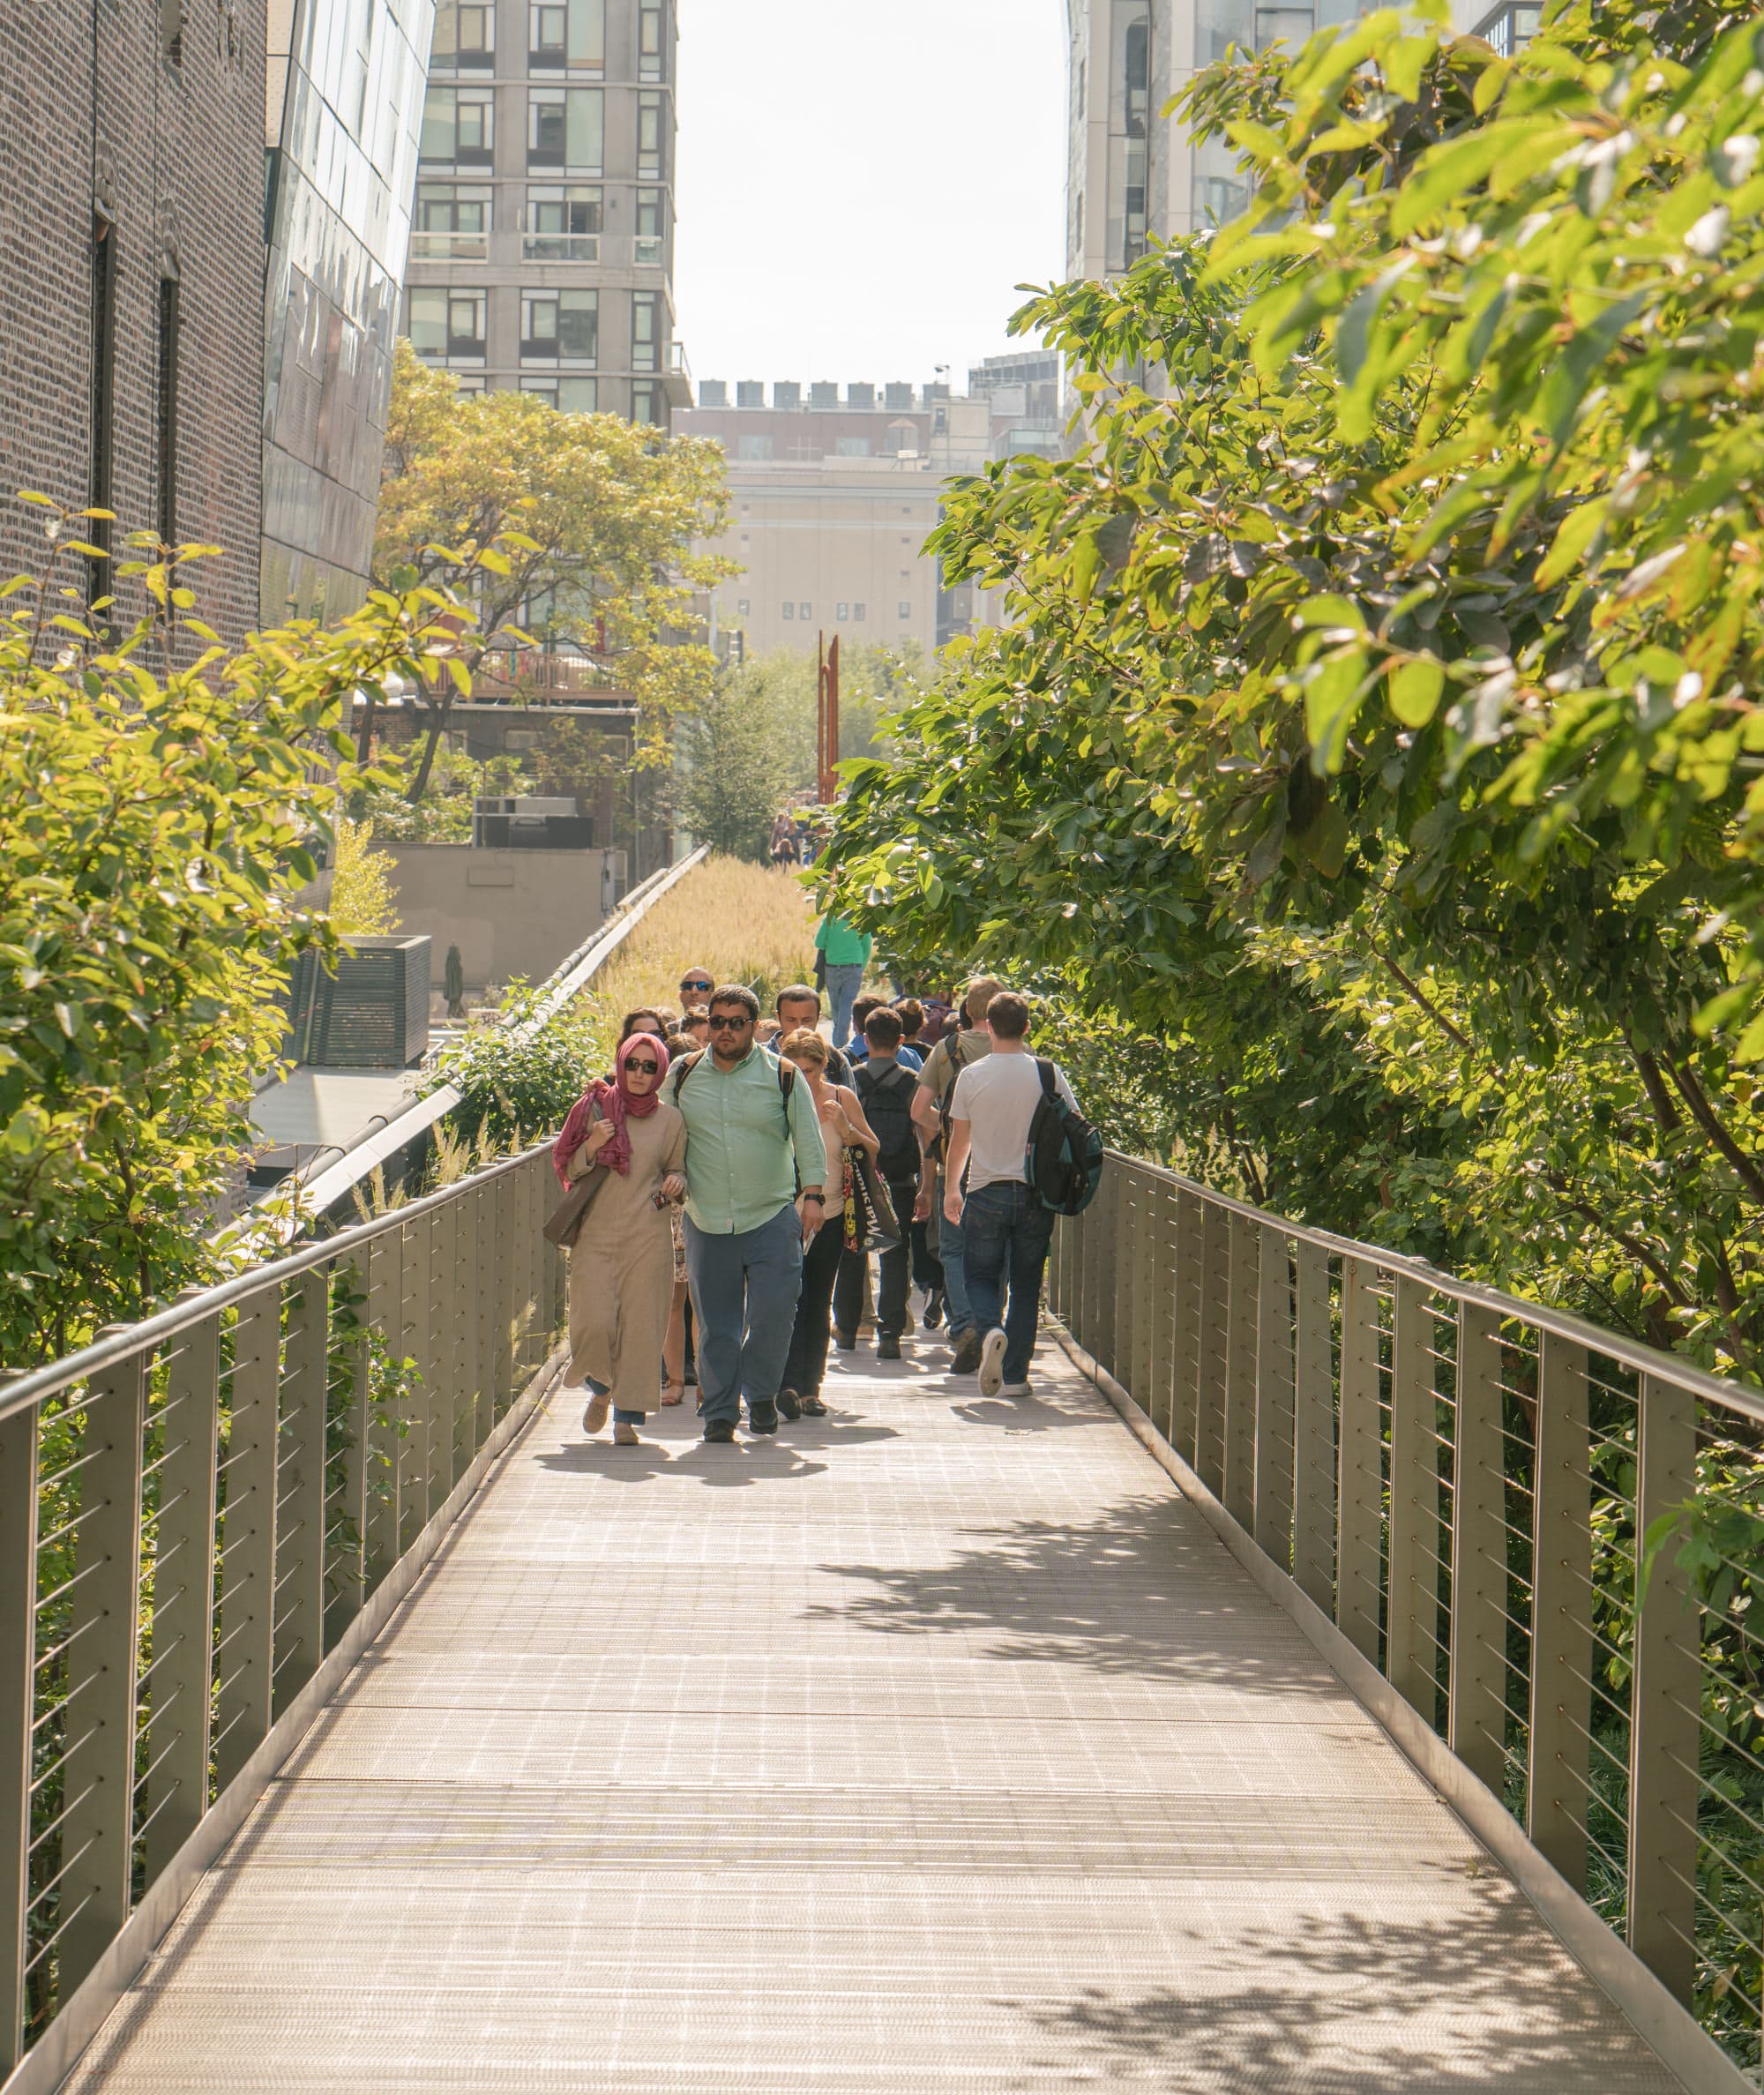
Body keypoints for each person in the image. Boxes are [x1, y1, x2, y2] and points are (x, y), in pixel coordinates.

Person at [671, 985, 828, 1443]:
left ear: (754, 1026)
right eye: (717, 1021)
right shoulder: (683, 1074)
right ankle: (720, 1412)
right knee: (717, 1324)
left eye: (735, 1022)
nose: (724, 1031)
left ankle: (760, 1395)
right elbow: (653, 1119)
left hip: (771, 1214)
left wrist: (814, 1196)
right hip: (707, 1216)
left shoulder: (782, 1074)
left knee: (775, 1313)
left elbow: (808, 1138)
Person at [942, 991, 1080, 1400]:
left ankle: (989, 1329)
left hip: (985, 1191)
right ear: (1026, 1027)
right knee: (1025, 1284)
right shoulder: (1047, 1072)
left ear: (986, 1025)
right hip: (1036, 1193)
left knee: (980, 1275)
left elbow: (959, 1141)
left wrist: (953, 1189)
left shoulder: (971, 1076)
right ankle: (1017, 1376)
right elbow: (1074, 1122)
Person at [554, 1034, 687, 1446]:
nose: (640, 1074)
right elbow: (570, 1169)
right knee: (591, 1323)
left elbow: (680, 1171)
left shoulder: (671, 1121)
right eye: (633, 1064)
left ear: (661, 1071)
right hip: (595, 1234)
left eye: (650, 1067)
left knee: (642, 1328)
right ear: (621, 1063)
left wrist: (676, 1181)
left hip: (648, 1234)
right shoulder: (595, 1107)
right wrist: (594, 1142)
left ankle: (626, 1420)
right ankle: (601, 1387)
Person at [776, 1029, 878, 1416]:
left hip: (831, 1216)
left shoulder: (840, 1097)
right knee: (783, 1302)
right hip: (782, 1216)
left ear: (825, 1065)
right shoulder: (775, 1097)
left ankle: (809, 1388)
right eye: (797, 1070)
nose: (805, 1078)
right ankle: (782, 1383)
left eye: (812, 1069)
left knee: (818, 1303)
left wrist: (845, 1129)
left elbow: (873, 1149)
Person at [911, 976, 1005, 1375]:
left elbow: (918, 1111)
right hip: (1004, 1166)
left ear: (966, 1010)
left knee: (954, 1250)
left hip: (957, 1164)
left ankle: (964, 1324)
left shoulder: (947, 1050)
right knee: (997, 1251)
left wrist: (951, 1129)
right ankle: (991, 1326)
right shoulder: (1021, 1048)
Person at [840, 1007, 925, 1362]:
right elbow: (925, 1128)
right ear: (901, 1041)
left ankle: (846, 1328)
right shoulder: (911, 1081)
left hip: (858, 1178)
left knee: (852, 1251)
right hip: (900, 1181)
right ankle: (890, 1332)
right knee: (895, 1254)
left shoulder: (851, 1081)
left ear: (863, 1037)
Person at [774, 984, 854, 1084]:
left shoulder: (835, 1059)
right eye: (791, 1020)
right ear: (778, 1017)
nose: (799, 1026)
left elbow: (848, 1098)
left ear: (818, 1018)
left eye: (807, 1020)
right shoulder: (762, 1057)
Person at [813, 909, 871, 1045]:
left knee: (836, 1007)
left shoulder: (831, 917)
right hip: (854, 966)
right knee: (847, 1004)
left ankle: (839, 1041)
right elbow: (867, 945)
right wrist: (862, 965)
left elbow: (819, 943)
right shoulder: (860, 916)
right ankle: (841, 1042)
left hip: (832, 967)